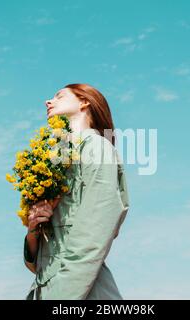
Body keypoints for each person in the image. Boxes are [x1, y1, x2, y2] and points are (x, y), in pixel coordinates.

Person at [23, 83, 130, 300]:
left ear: (84, 101)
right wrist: (33, 230)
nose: (48, 101)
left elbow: (93, 237)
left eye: (59, 96)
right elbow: (36, 265)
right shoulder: (56, 160)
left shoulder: (97, 148)